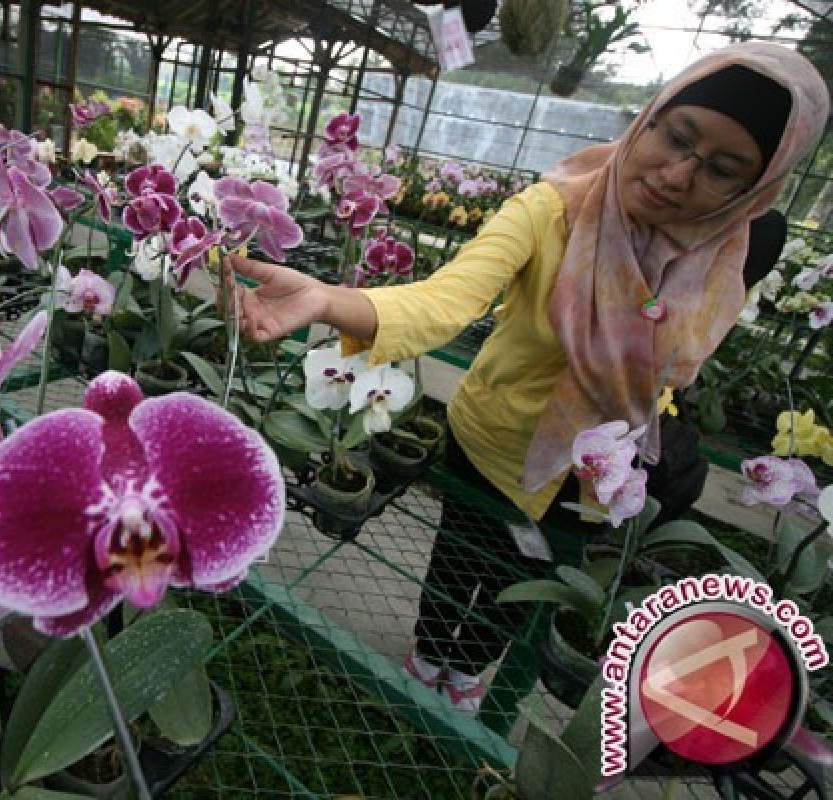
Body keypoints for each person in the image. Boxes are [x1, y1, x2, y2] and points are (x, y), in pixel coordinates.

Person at [227, 42, 829, 713]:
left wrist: (668, 423)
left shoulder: (733, 250)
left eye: (721, 169)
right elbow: (448, 299)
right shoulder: (550, 211)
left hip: (600, 473)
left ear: (755, 188)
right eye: (677, 137)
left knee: (529, 581)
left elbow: (674, 363)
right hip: (495, 442)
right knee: (460, 562)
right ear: (650, 117)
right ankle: (428, 659)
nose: (678, 174)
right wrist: (326, 300)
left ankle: (470, 674)